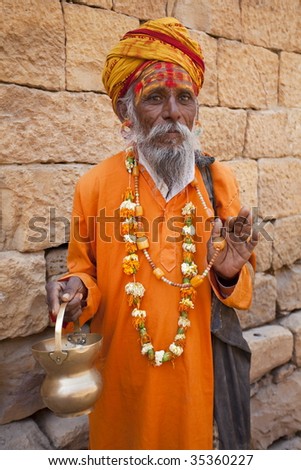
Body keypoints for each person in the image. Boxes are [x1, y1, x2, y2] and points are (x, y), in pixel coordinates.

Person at [46, 17, 258, 450]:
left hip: (194, 377)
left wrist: (230, 273)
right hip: (121, 375)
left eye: (184, 98)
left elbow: (243, 294)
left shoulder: (218, 183)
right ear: (127, 112)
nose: (173, 114)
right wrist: (75, 292)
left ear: (196, 110)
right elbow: (83, 272)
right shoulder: (95, 185)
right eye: (155, 98)